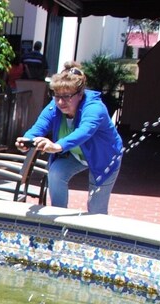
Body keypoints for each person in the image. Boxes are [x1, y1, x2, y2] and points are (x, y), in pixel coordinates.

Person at [17, 62, 124, 214]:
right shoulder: (54, 107)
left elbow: (84, 131)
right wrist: (27, 140)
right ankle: (59, 219)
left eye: (67, 96)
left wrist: (57, 146)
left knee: (96, 209)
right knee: (56, 172)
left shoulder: (95, 108)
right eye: (57, 95)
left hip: (104, 157)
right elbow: (39, 127)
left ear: (80, 94)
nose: (61, 102)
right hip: (75, 154)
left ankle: (95, 236)